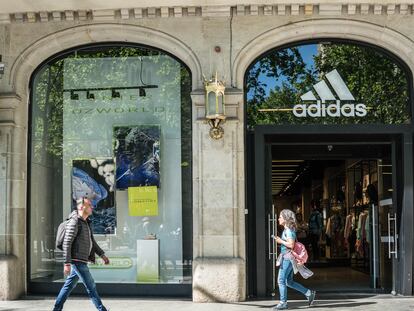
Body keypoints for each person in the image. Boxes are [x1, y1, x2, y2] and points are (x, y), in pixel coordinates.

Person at [53, 197, 110, 311]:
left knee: (68, 286)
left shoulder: (86, 223)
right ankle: (101, 309)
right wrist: (67, 263)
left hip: (81, 259)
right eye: (89, 205)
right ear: (81, 207)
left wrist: (102, 255)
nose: (92, 207)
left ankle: (57, 309)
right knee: (91, 286)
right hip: (77, 260)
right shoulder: (74, 222)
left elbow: (92, 242)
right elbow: (67, 243)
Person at [273, 209, 316, 310]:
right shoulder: (288, 229)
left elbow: (291, 245)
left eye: (280, 216)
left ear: (285, 218)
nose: (278, 218)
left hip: (288, 257)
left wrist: (280, 241)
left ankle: (283, 303)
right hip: (288, 257)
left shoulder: (288, 230)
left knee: (281, 280)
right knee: (289, 281)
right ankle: (309, 293)